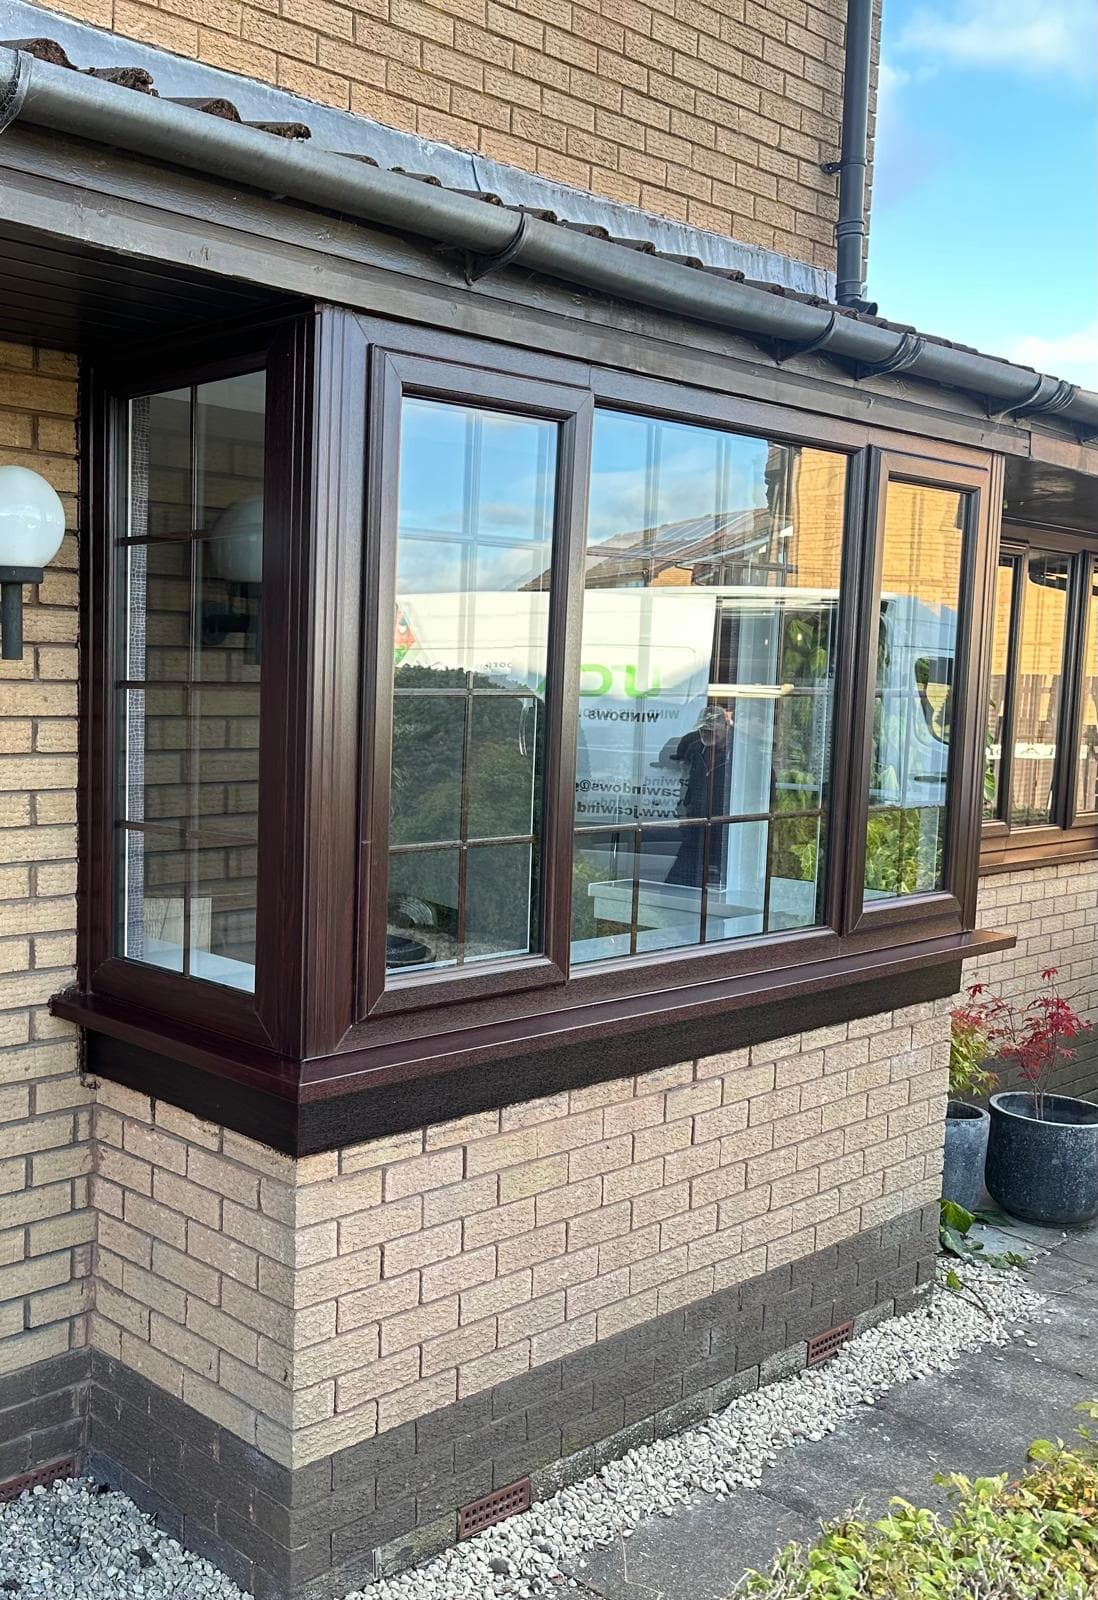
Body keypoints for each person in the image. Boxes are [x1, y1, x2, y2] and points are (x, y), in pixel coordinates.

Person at [666, 703, 732, 887]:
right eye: (703, 729)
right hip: (696, 820)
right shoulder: (695, 748)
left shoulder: (738, 753)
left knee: (727, 874)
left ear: (725, 727)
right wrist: (684, 805)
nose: (706, 733)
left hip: (725, 823)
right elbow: (686, 780)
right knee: (678, 881)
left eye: (711, 729)